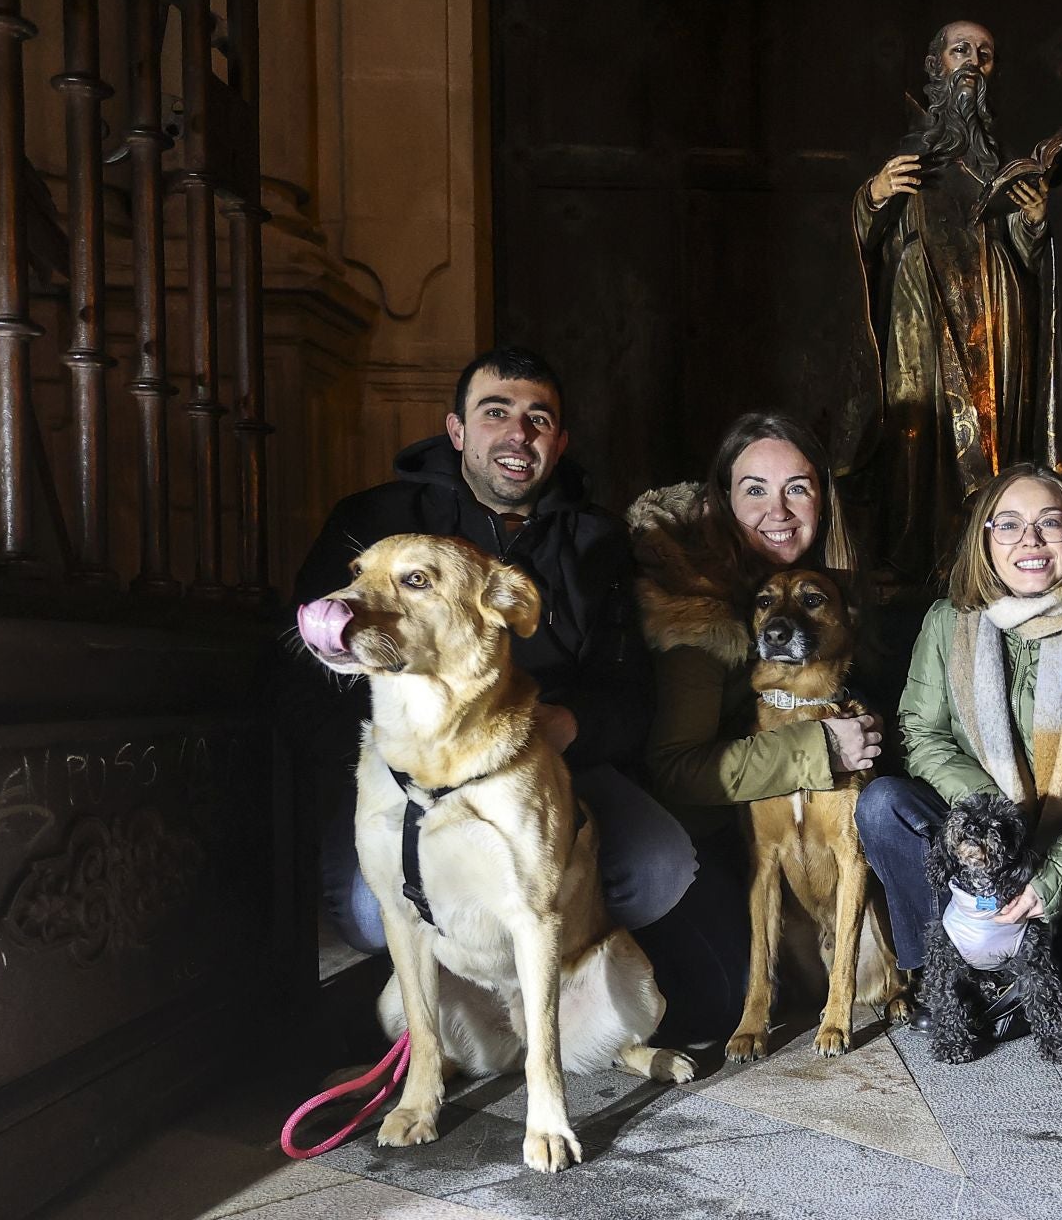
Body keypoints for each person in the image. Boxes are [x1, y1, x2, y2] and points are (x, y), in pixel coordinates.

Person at [286, 347, 739, 1046]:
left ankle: (536, 971)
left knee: (658, 867)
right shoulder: (377, 520)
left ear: (559, 442)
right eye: (495, 412)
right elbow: (312, 674)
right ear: (457, 430)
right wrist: (392, 760)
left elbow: (630, 691)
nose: (517, 433)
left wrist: (568, 724)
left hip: (547, 758)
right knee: (372, 912)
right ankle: (454, 982)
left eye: (538, 419)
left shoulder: (600, 541)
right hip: (407, 767)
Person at [856, 464, 1062, 1058]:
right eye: (1010, 525)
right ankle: (952, 974)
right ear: (984, 540)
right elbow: (921, 731)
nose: (1030, 540)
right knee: (883, 804)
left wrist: (1055, 875)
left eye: (1050, 523)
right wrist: (997, 816)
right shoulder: (949, 623)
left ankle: (1031, 968)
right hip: (990, 840)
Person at [851, 20, 1062, 576]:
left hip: (993, 317)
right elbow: (863, 247)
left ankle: (987, 560)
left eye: (985, 54)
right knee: (917, 434)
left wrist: (1033, 222)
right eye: (960, 50)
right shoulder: (909, 153)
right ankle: (913, 562)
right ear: (935, 65)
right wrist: (874, 197)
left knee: (994, 435)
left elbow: (1020, 253)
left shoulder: (997, 161)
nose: (973, 61)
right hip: (920, 311)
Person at [624, 412, 885, 864]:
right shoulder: (693, 604)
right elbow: (678, 771)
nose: (778, 511)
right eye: (756, 490)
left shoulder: (830, 585)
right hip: (697, 840)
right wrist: (823, 747)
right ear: (724, 500)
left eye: (797, 489)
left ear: (822, 499)